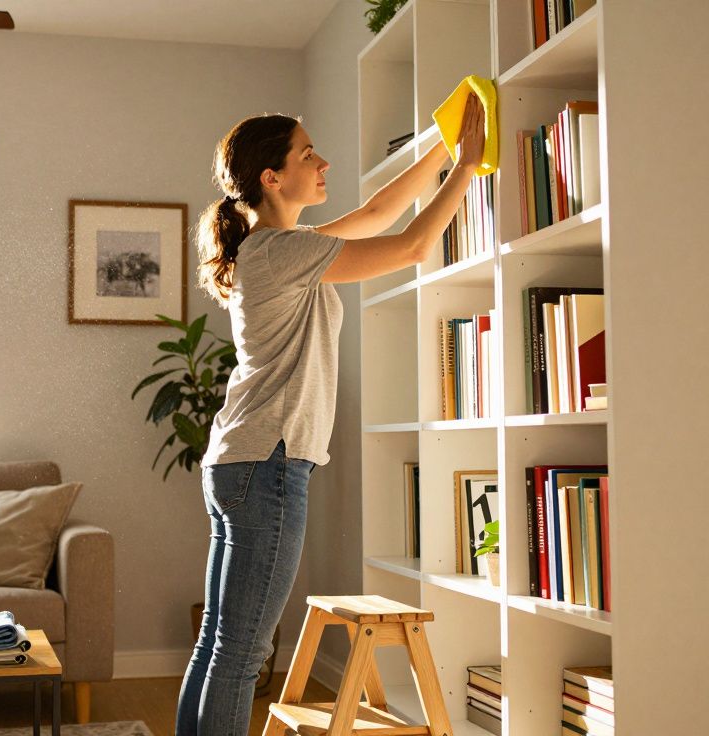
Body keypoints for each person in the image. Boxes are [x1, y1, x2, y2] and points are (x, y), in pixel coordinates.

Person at [175, 93, 486, 735]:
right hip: (269, 461)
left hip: (243, 458)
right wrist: (468, 165)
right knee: (239, 655)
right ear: (272, 176)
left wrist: (445, 146)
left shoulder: (280, 246)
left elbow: (377, 212)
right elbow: (412, 245)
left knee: (219, 645)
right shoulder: (283, 252)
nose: (323, 161)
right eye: (307, 153)